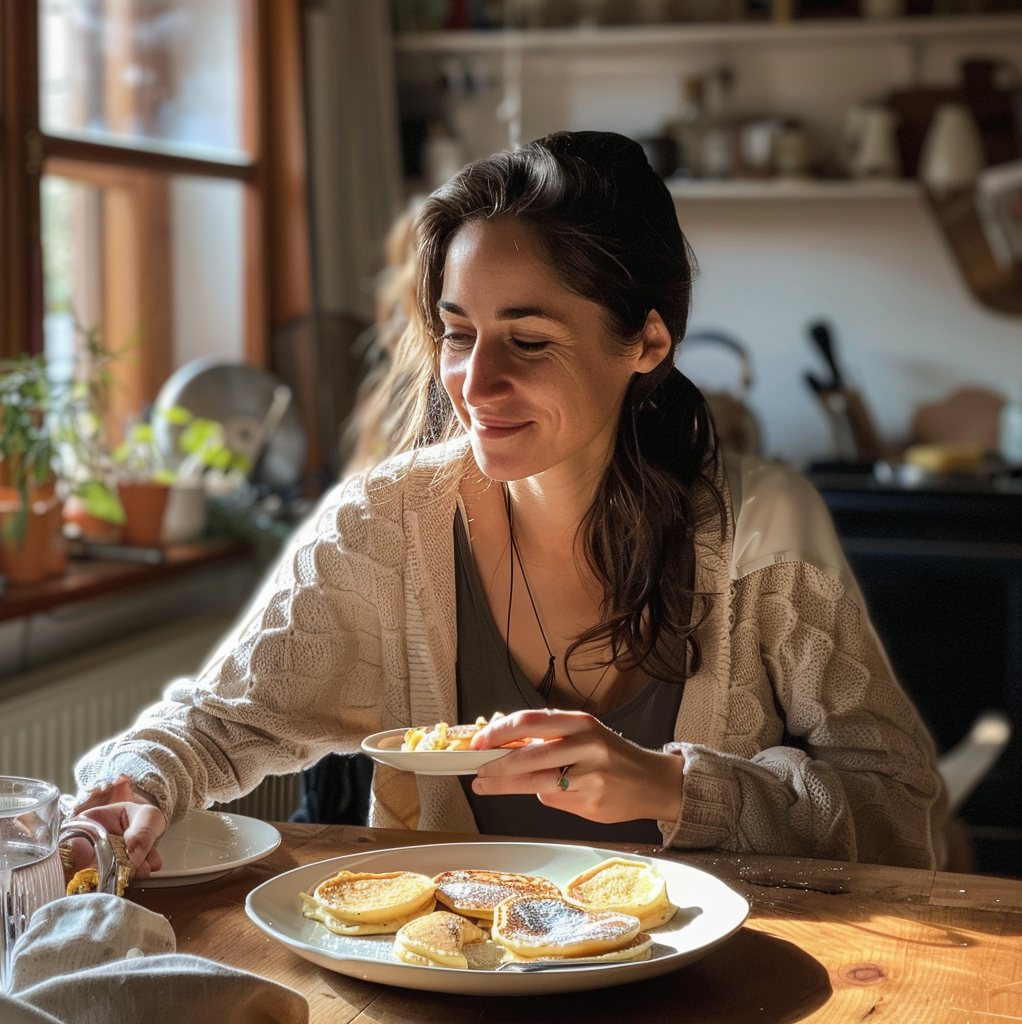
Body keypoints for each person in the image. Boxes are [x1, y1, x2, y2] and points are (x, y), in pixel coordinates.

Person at [72, 130, 946, 876]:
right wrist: (137, 784)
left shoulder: (763, 530)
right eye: (458, 334)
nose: (474, 382)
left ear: (645, 341)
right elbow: (220, 725)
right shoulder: (387, 526)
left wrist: (672, 788)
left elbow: (902, 819)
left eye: (527, 339)